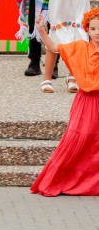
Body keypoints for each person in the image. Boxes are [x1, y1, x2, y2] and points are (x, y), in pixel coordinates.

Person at [31, 10, 99, 196]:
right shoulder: (79, 48)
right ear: (87, 29)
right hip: (85, 102)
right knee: (77, 140)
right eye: (93, 28)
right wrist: (42, 30)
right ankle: (61, 180)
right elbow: (53, 47)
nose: (97, 32)